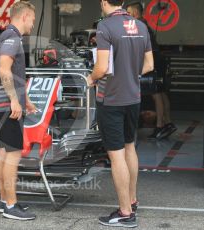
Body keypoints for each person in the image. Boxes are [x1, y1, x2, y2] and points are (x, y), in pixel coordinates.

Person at [87, 0, 154, 227]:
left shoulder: (105, 26)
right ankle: (132, 200)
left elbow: (102, 67)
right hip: (133, 98)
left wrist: (91, 78)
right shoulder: (141, 26)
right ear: (123, 2)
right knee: (129, 148)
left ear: (104, 2)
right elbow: (149, 65)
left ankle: (125, 213)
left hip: (111, 99)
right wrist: (129, 73)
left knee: (116, 156)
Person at [0, 1, 37, 221]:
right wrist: (13, 100)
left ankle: (4, 200)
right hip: (6, 106)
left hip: (2, 105)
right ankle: (11, 206)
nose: (33, 23)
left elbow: (14, 75)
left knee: (3, 153)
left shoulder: (7, 35)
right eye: (33, 19)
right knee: (12, 156)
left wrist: (24, 100)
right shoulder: (12, 37)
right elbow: (4, 69)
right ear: (25, 16)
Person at [126, 1, 177, 140]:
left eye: (128, 14)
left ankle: (160, 125)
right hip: (157, 61)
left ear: (135, 14)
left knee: (156, 94)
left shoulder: (140, 26)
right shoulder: (144, 25)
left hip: (151, 62)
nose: (127, 16)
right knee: (161, 92)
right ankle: (168, 122)